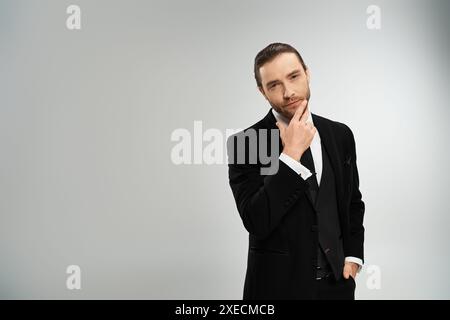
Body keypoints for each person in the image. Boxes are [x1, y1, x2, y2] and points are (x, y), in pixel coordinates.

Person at [227, 43, 365, 300]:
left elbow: (352, 202)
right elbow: (256, 221)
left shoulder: (340, 134)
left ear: (307, 73)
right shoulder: (246, 143)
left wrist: (353, 257)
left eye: (293, 76)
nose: (288, 92)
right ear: (262, 91)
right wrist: (290, 155)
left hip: (337, 286)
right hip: (277, 289)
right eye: (274, 85)